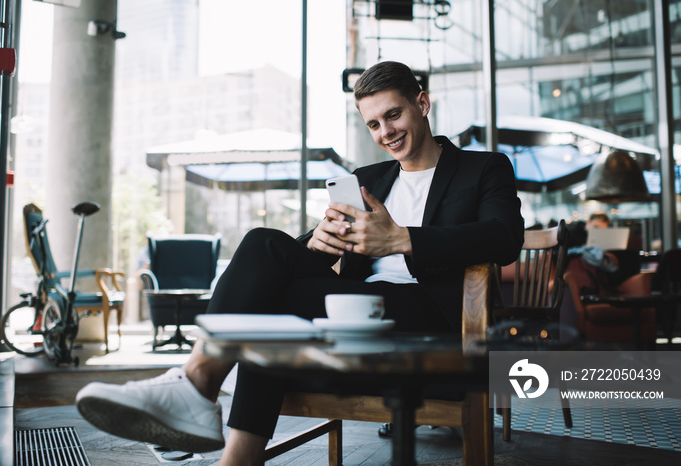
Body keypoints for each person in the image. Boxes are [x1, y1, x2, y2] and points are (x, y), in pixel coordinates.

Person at [75, 61, 524, 465]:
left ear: (421, 104)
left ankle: (204, 403)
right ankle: (203, 395)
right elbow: (309, 248)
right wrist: (320, 244)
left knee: (273, 305)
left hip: (430, 312)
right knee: (264, 244)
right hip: (358, 307)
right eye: (372, 124)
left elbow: (505, 238)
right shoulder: (367, 179)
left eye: (393, 115)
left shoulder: (482, 168)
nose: (385, 132)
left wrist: (402, 240)